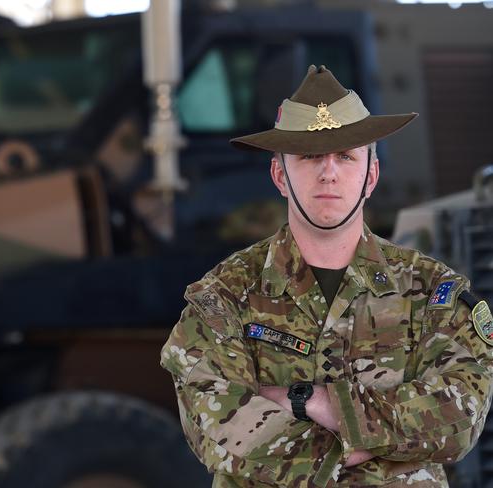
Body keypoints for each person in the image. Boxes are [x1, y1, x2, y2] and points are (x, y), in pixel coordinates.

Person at [159, 65, 493, 487]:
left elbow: (460, 417)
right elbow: (218, 427)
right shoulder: (224, 297)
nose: (329, 172)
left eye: (346, 156)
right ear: (281, 176)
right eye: (311, 156)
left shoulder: (431, 293)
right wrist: (380, 449)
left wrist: (319, 404)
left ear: (370, 177)